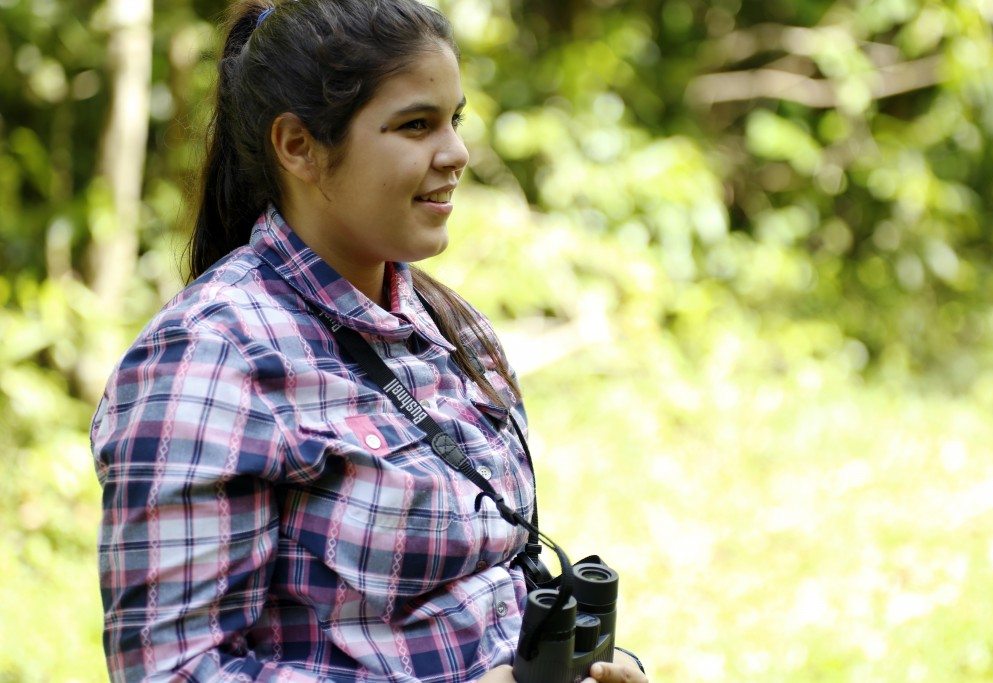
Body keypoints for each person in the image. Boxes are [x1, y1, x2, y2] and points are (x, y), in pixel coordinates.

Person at [91, 1, 649, 681]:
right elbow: (171, 670)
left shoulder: (450, 325)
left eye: (455, 120)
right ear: (297, 145)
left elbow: (496, 581)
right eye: (416, 125)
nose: (457, 153)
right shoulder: (208, 360)